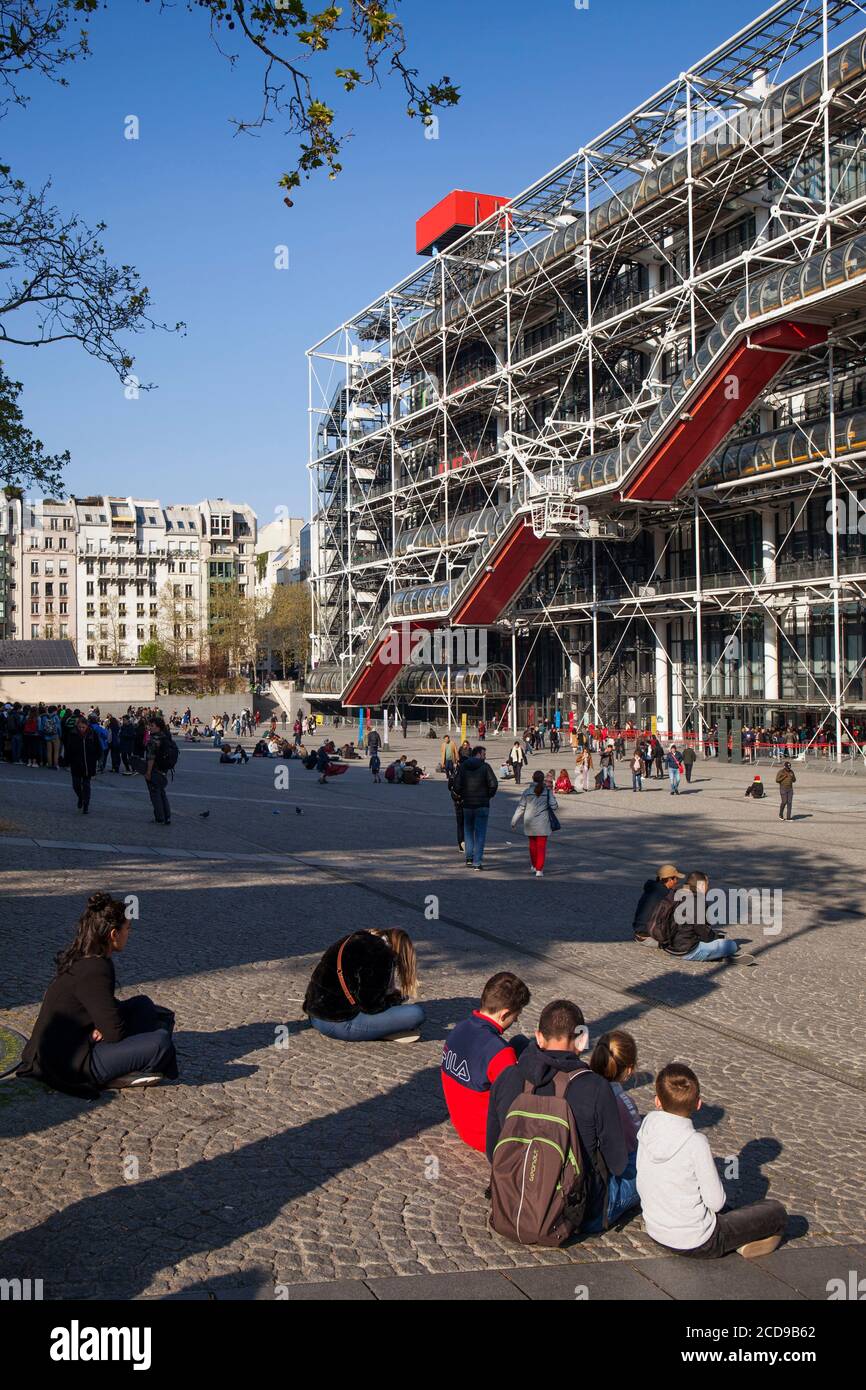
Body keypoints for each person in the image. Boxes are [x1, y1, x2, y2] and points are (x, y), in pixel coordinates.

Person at [486, 999, 628, 1235]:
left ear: (538, 1037)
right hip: (576, 1214)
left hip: (513, 1198)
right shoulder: (596, 1087)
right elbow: (618, 1163)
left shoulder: (507, 1077)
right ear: (581, 1040)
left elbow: (493, 1150)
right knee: (638, 1166)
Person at [17, 892, 178, 1095]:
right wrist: (102, 1029)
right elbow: (114, 1033)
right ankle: (117, 1074)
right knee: (160, 1042)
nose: (129, 933)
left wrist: (101, 1026)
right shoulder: (96, 968)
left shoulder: (86, 955)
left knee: (144, 1005)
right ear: (113, 934)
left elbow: (100, 1008)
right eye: (127, 929)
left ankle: (127, 1060)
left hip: (76, 1038)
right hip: (72, 1060)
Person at [637, 1063, 787, 1259]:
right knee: (776, 1211)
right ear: (698, 1104)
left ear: (657, 1101)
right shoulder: (695, 1142)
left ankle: (739, 1239)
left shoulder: (647, 1124)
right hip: (698, 1241)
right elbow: (716, 1203)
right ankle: (740, 1242)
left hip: (656, 1229)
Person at [441, 971, 531, 1152]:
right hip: (488, 1137)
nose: (517, 1019)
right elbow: (513, 1106)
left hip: (464, 1125)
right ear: (505, 1014)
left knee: (520, 1043)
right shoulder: (500, 1053)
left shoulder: (459, 1028)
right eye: (516, 1015)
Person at [303, 929, 425, 1042]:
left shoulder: (353, 939)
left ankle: (378, 1029)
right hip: (339, 1024)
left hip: (315, 1016)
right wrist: (394, 1000)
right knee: (416, 1013)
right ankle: (379, 1030)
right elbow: (371, 1006)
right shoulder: (381, 953)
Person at [585, 1030, 641, 1230]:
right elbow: (634, 1149)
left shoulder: (578, 1087)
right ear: (629, 1070)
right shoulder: (623, 1103)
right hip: (600, 1204)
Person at [648, 871, 740, 962]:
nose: (708, 888)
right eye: (707, 885)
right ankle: (712, 954)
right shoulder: (698, 900)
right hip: (687, 951)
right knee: (732, 945)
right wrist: (715, 938)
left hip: (668, 947)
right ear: (702, 885)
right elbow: (702, 930)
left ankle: (713, 952)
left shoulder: (675, 893)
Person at [453, 745, 498, 870]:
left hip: (467, 804)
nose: (485, 756)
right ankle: (477, 862)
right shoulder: (485, 767)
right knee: (480, 834)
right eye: (484, 754)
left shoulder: (463, 767)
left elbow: (456, 786)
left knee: (468, 831)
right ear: (478, 754)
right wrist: (488, 796)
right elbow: (493, 784)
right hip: (482, 804)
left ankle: (468, 858)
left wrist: (463, 795)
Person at [511, 768, 559, 878]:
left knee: (532, 846)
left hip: (529, 822)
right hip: (543, 823)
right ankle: (539, 869)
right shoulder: (547, 791)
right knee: (541, 847)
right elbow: (554, 806)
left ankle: (533, 865)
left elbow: (521, 808)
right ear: (543, 780)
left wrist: (514, 821)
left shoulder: (527, 792)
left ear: (533, 779)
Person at [632, 863, 684, 943]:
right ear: (670, 880)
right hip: (649, 936)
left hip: (638, 932)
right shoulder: (667, 895)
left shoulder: (652, 888)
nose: (677, 882)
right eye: (676, 879)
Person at [143, 715, 173, 825]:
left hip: (155, 770)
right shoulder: (165, 737)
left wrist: (148, 772)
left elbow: (151, 758)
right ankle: (167, 816)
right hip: (163, 769)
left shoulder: (154, 740)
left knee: (155, 794)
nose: (149, 727)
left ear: (158, 727)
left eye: (152, 726)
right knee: (162, 793)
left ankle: (159, 817)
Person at [67, 715, 99, 814]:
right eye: (80, 727)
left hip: (88, 764)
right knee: (75, 785)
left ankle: (86, 805)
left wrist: (96, 759)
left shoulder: (92, 734)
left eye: (83, 727)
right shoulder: (72, 734)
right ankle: (81, 797)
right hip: (76, 764)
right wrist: (67, 761)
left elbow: (98, 748)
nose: (81, 729)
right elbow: (68, 749)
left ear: (87, 726)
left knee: (86, 785)